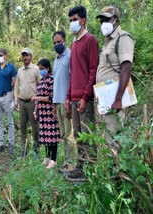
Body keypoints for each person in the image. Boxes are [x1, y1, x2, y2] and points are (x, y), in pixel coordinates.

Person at [65, 5, 99, 179]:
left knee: (87, 133)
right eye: (70, 20)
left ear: (83, 20)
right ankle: (81, 166)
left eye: (75, 20)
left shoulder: (90, 40)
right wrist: (68, 97)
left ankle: (91, 170)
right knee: (78, 134)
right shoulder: (74, 43)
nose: (72, 23)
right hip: (74, 97)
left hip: (85, 98)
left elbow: (93, 71)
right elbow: (73, 72)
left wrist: (86, 97)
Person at [96, 6, 135, 149]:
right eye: (101, 20)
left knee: (114, 139)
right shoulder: (107, 42)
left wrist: (118, 99)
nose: (103, 23)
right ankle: (112, 169)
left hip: (115, 98)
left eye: (107, 19)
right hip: (106, 98)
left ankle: (117, 170)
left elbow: (126, 68)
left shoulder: (123, 38)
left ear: (116, 20)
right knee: (108, 136)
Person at [52, 31, 77, 173]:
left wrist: (69, 100)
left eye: (59, 42)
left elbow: (72, 78)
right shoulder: (56, 59)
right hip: (58, 101)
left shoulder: (70, 55)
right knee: (63, 134)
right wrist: (54, 105)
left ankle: (71, 162)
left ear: (65, 40)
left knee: (69, 134)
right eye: (55, 43)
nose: (57, 45)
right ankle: (67, 160)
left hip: (67, 101)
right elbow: (56, 82)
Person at [32, 59, 60, 169]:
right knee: (45, 136)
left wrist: (36, 98)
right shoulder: (41, 81)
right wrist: (36, 110)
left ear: (48, 68)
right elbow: (37, 98)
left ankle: (54, 159)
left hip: (50, 112)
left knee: (52, 136)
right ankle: (47, 157)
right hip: (42, 112)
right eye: (40, 69)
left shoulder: (51, 80)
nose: (41, 71)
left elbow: (51, 97)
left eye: (42, 69)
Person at [14, 48, 40, 157]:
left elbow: (40, 85)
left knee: (35, 128)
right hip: (22, 102)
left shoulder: (36, 69)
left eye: (27, 55)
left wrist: (38, 101)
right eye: (23, 55)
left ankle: (36, 151)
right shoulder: (19, 70)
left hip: (32, 102)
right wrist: (16, 101)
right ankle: (24, 151)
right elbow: (16, 87)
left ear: (31, 56)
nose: (25, 57)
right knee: (23, 128)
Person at [0, 48, 17, 154]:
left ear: (6, 56)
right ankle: (0, 144)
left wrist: (14, 99)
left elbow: (15, 83)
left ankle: (11, 144)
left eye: (1, 55)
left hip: (7, 96)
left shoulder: (11, 67)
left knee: (10, 122)